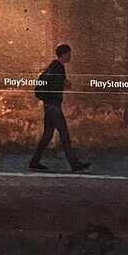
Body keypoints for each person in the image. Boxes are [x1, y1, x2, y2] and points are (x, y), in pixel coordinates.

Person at [29, 44, 89, 173]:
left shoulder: (52, 67)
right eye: (69, 54)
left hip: (48, 105)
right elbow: (65, 84)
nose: (70, 57)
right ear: (64, 54)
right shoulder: (58, 67)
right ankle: (74, 163)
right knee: (64, 134)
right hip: (54, 106)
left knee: (47, 135)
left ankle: (34, 161)